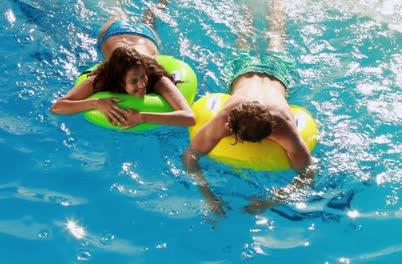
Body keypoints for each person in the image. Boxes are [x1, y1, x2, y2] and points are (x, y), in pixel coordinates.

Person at [182, 0, 316, 216]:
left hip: (262, 73)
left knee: (250, 38)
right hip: (266, 73)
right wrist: (209, 197)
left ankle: (249, 8)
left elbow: (191, 157)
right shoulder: (234, 117)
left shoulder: (283, 126)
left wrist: (268, 202)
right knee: (276, 38)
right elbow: (306, 174)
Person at [50, 2, 195, 129]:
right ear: (119, 81)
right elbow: (57, 107)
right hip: (114, 31)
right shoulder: (103, 78)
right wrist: (96, 103)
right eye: (134, 81)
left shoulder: (154, 75)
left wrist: (142, 117)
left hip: (145, 36)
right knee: (116, 12)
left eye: (142, 77)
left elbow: (189, 117)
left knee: (149, 19)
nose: (142, 84)